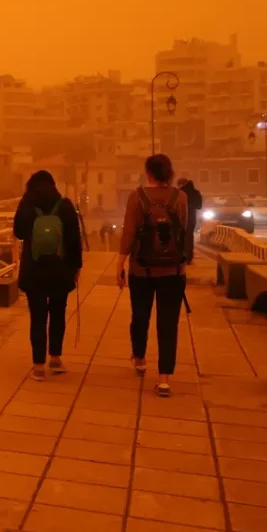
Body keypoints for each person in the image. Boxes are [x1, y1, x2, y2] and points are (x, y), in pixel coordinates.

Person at [117, 154, 188, 397]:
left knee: (140, 316)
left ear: (148, 173)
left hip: (142, 270)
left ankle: (140, 359)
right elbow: (184, 230)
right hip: (174, 272)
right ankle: (164, 379)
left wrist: (120, 264)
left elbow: (128, 232)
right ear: (169, 173)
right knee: (168, 324)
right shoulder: (181, 198)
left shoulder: (137, 197)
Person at [12, 170, 83, 381]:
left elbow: (18, 232)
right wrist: (76, 267)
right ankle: (55, 358)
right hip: (60, 270)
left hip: (34, 270)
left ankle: (38, 366)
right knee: (58, 313)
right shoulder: (65, 205)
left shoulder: (27, 205)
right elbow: (74, 240)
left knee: (38, 317)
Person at [177, 178, 203, 263]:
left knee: (180, 236)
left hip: (180, 217)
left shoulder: (179, 193)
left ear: (181, 184)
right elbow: (199, 206)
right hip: (192, 217)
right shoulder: (196, 192)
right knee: (189, 236)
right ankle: (189, 257)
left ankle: (181, 255)